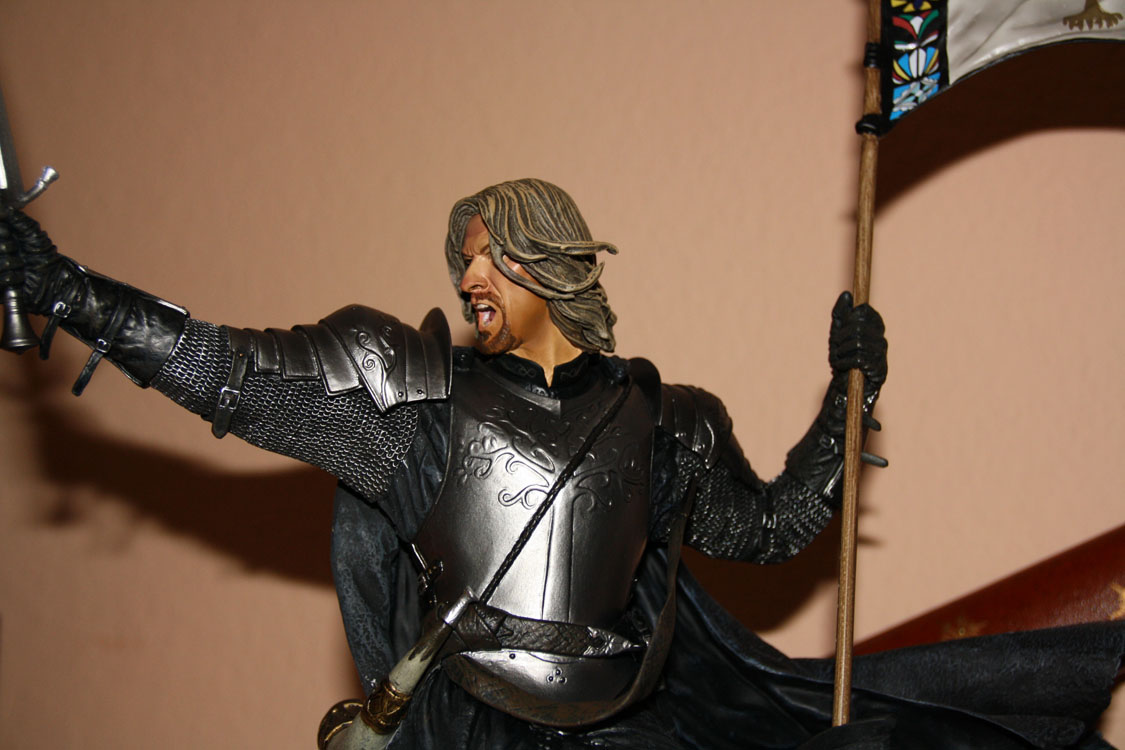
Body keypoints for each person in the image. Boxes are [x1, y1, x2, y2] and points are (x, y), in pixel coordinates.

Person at [0, 179, 1120, 749]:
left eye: (490, 255)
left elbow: (770, 527)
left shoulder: (666, 422)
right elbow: (235, 375)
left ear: (550, 261)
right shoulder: (415, 397)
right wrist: (67, 292)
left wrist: (846, 400)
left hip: (633, 720)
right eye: (464, 261)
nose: (468, 277)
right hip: (475, 723)